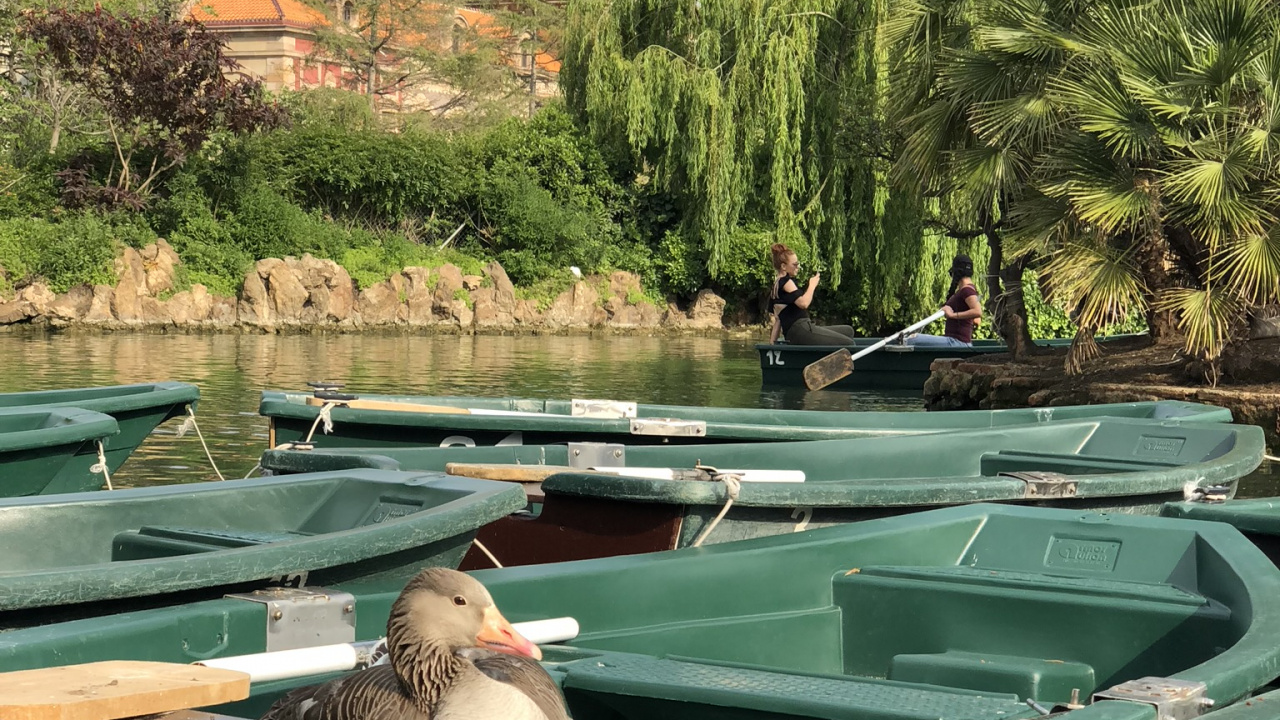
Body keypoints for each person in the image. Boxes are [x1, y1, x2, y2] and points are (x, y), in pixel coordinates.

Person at [768, 243, 856, 345]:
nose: (798, 267)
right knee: (848, 343)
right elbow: (804, 303)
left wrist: (772, 345)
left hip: (800, 330)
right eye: (795, 265)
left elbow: (778, 320)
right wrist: (812, 285)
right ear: (783, 266)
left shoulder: (776, 285)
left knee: (848, 331)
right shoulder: (786, 282)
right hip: (800, 330)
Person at [907, 254, 983, 347]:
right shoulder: (969, 289)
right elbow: (977, 320)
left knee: (913, 339)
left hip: (957, 342)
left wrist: (952, 315)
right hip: (957, 341)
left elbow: (977, 312)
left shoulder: (966, 290)